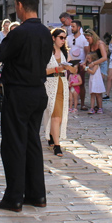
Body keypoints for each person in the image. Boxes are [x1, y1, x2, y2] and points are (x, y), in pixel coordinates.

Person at [0, 0, 53, 212]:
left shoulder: (20, 33)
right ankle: (37, 194)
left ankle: (14, 197)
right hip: (38, 91)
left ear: (19, 6)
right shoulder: (46, 33)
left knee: (13, 144)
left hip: (19, 92)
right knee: (32, 143)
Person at [43, 28, 76, 157]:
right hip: (50, 85)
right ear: (53, 38)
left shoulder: (65, 53)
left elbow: (73, 70)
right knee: (55, 115)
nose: (63, 40)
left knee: (59, 116)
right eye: (61, 37)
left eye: (64, 38)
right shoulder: (47, 52)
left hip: (62, 85)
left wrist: (70, 67)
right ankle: (57, 145)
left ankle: (52, 135)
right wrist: (58, 68)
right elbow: (42, 71)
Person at [66, 20, 89, 110]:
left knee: (81, 83)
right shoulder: (68, 38)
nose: (72, 28)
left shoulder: (83, 39)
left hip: (80, 62)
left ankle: (82, 103)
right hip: (71, 63)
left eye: (73, 26)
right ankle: (70, 103)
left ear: (78, 27)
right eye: (71, 26)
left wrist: (85, 62)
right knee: (69, 82)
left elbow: (87, 52)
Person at [85, 29, 107, 109]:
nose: (87, 40)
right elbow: (88, 54)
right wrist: (85, 62)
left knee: (98, 85)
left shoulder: (100, 44)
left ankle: (99, 106)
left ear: (92, 37)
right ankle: (97, 105)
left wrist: (94, 63)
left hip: (101, 64)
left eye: (88, 38)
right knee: (94, 84)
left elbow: (104, 57)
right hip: (93, 64)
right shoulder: (90, 45)